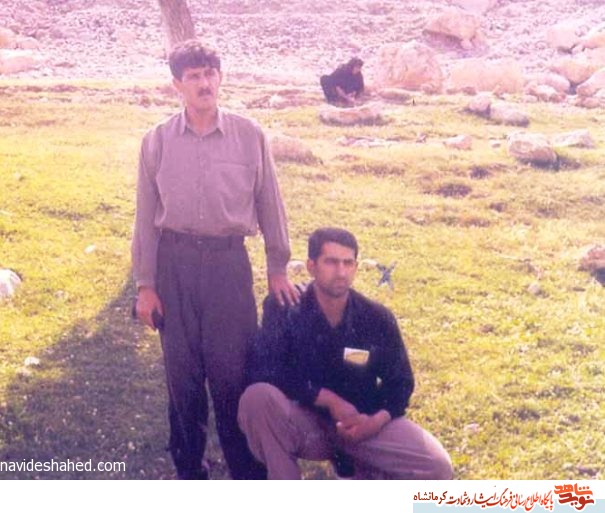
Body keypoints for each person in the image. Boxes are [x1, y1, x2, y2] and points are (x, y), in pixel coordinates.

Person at [131, 40, 299, 480]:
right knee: (182, 376)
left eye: (210, 74)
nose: (204, 83)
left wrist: (277, 266)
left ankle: (245, 471)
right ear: (177, 85)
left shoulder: (249, 135)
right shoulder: (156, 141)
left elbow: (270, 202)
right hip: (174, 265)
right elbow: (145, 218)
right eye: (193, 76)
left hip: (228, 267)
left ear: (220, 78)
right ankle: (189, 469)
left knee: (233, 372)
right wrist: (146, 285)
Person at [238, 228, 453, 479]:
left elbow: (401, 383)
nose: (341, 272)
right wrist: (329, 400)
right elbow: (265, 370)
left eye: (348, 263)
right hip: (306, 424)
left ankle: (362, 473)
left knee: (437, 466)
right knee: (256, 398)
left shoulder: (376, 317)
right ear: (311, 266)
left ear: (356, 267)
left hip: (362, 425)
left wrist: (374, 422)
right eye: (331, 262)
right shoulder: (285, 306)